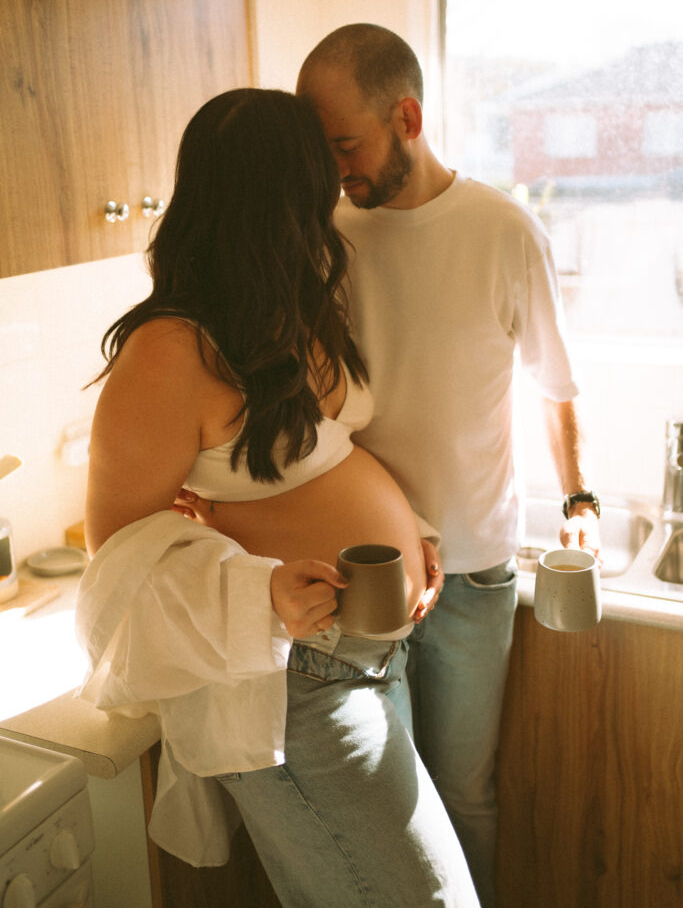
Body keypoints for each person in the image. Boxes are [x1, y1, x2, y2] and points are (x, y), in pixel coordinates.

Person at [78, 88, 480, 908]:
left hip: (372, 656)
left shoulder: (292, 307)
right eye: (319, 177)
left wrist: (413, 535)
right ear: (276, 197)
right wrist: (254, 592)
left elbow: (326, 459)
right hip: (299, 685)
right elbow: (113, 564)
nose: (337, 191)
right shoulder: (169, 351)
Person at [290, 24, 603, 908]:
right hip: (362, 574)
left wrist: (576, 494)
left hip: (470, 574)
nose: (335, 167)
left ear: (408, 117)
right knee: (383, 810)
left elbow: (556, 384)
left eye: (345, 144)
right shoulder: (325, 234)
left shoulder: (503, 230)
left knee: (462, 795)